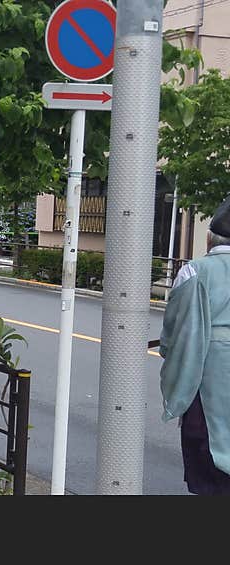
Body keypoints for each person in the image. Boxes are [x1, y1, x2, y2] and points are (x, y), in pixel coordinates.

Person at [160, 194, 230, 495]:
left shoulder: (195, 271)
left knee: (210, 464)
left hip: (209, 384)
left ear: (209, 238)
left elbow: (176, 332)